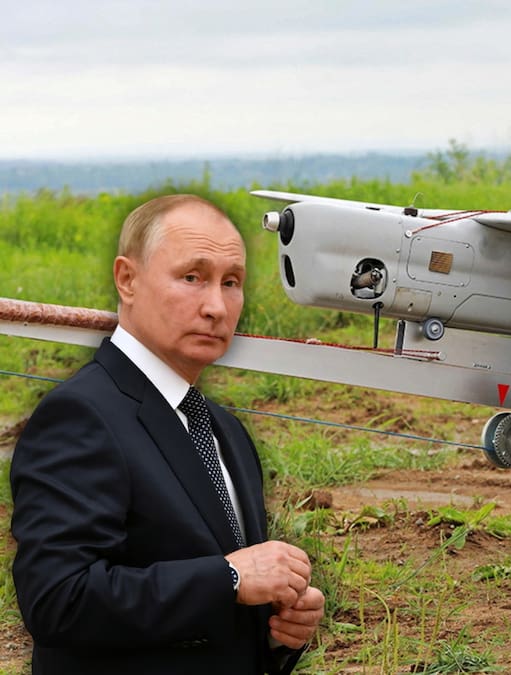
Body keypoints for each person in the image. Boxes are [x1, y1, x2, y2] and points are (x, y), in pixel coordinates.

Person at [9, 194, 325, 674]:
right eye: (192, 277)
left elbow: (219, 601)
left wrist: (279, 631)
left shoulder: (226, 431)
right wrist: (232, 578)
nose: (216, 306)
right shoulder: (80, 415)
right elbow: (59, 600)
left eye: (232, 282)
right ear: (127, 279)